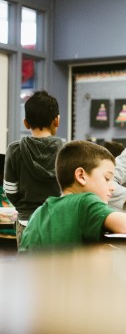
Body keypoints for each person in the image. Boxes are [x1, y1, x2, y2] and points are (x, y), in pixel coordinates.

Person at [19, 141, 126, 251]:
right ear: (81, 176)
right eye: (107, 178)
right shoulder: (85, 201)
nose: (112, 187)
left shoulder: (39, 213)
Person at [3, 90, 65, 246]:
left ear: (26, 122)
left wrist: (24, 207)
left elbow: (10, 190)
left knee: (28, 268)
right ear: (56, 121)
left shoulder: (14, 149)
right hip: (59, 222)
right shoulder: (67, 150)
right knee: (59, 269)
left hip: (26, 222)